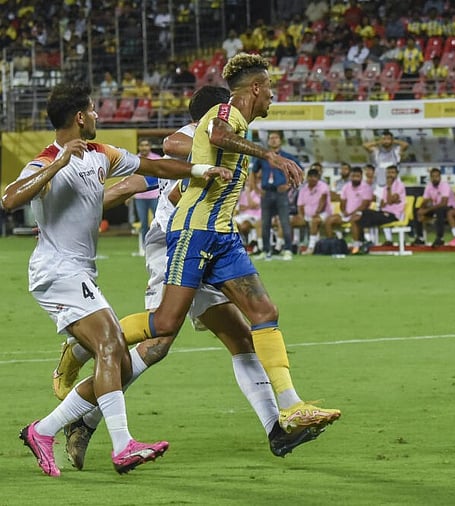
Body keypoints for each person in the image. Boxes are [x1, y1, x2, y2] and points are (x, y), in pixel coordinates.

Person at [51, 85, 321, 468]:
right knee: (158, 342)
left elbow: (134, 184)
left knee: (241, 336)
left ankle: (276, 429)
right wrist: (67, 219)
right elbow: (159, 156)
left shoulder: (217, 147)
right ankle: (82, 387)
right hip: (173, 247)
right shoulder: (199, 137)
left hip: (209, 247)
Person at [1, 82, 231, 477]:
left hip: (78, 272)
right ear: (79, 117)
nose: (97, 115)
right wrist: (58, 164)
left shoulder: (100, 153)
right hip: (57, 272)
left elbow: (154, 167)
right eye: (92, 110)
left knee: (120, 360)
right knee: (110, 344)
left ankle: (44, 430)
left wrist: (199, 170)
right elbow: (9, 199)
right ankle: (123, 446)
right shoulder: (47, 159)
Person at [116, 52, 341, 439]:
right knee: (164, 326)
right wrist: (269, 155)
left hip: (222, 236)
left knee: (264, 311)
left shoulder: (237, 121)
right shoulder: (225, 112)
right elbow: (216, 135)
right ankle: (89, 343)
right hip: (195, 231)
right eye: (270, 88)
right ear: (255, 87)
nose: (273, 95)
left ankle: (291, 406)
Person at [251, 130, 302, 260]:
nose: (273, 140)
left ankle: (288, 250)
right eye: (271, 138)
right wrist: (256, 189)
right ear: (268, 141)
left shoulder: (287, 157)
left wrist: (289, 185)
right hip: (266, 192)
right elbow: (253, 172)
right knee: (265, 223)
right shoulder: (263, 157)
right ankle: (266, 250)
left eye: (276, 138)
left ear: (281, 140)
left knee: (284, 222)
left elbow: (299, 170)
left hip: (281, 192)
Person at [323, 166, 373, 251]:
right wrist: (344, 211)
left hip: (360, 213)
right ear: (350, 176)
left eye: (357, 176)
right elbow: (342, 202)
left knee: (354, 219)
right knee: (329, 220)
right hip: (346, 214)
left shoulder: (366, 188)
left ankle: (356, 246)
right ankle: (332, 244)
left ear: (361, 177)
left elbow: (365, 205)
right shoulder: (346, 187)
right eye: (353, 176)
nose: (355, 178)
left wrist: (352, 213)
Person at [357, 165, 407, 247]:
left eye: (392, 173)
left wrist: (389, 190)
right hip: (384, 213)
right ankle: (366, 240)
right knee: (363, 213)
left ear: (397, 174)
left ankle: (367, 240)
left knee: (366, 214)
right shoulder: (386, 187)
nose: (390, 175)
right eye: (388, 173)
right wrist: (388, 199)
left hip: (394, 215)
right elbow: (382, 203)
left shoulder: (399, 185)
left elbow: (389, 201)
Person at [412, 167, 455, 247]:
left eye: (437, 176)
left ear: (440, 177)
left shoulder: (445, 185)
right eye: (433, 176)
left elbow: (443, 203)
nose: (435, 178)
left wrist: (426, 211)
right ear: (430, 177)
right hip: (436, 208)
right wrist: (421, 210)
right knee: (416, 210)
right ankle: (420, 238)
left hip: (449, 208)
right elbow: (425, 201)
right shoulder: (429, 186)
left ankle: (440, 238)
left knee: (439, 210)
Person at [294, 165, 331, 254]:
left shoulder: (323, 186)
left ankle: (311, 247)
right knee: (291, 221)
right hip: (307, 214)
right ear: (307, 177)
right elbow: (300, 205)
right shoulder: (303, 189)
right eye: (310, 177)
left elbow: (323, 201)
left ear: (318, 178)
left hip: (323, 213)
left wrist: (317, 213)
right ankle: (290, 245)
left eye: (314, 177)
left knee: (314, 221)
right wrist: (301, 216)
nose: (312, 179)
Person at [133, 138, 161, 254]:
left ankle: (158, 246)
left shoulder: (157, 159)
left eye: (146, 145)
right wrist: (129, 196)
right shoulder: (134, 159)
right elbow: (130, 178)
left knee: (158, 222)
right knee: (143, 223)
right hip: (140, 196)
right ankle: (143, 248)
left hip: (154, 195)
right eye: (142, 145)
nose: (144, 148)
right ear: (139, 147)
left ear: (150, 147)